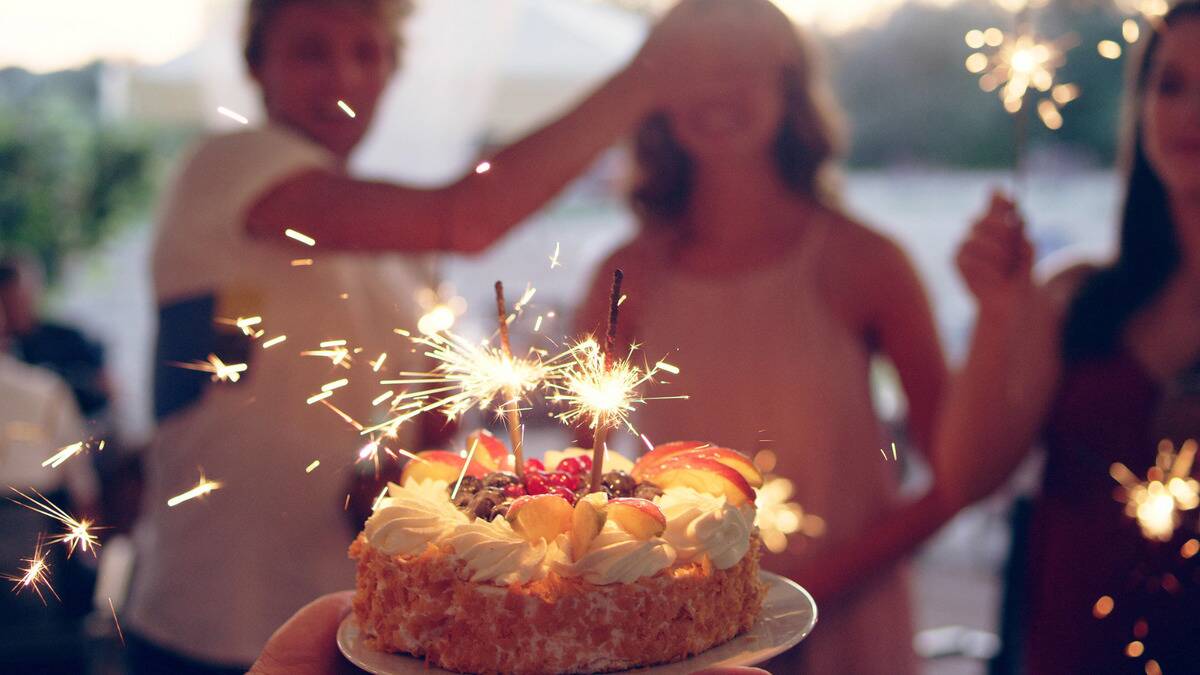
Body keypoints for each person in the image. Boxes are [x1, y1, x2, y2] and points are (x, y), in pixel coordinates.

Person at [124, 0, 724, 671]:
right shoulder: (230, 164)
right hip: (213, 613)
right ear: (256, 66)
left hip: (365, 623)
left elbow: (418, 422)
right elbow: (467, 220)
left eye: (366, 52)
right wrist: (646, 77)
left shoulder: (402, 251)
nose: (343, 77)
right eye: (310, 51)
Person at [575, 1, 950, 672]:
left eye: (743, 65)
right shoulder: (623, 276)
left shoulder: (866, 260)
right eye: (698, 68)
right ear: (659, 92)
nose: (719, 88)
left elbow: (954, 469)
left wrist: (811, 589)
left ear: (791, 86)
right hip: (685, 632)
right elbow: (584, 481)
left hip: (848, 621)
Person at [937, 3, 1200, 672]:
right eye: (1169, 85)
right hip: (1068, 643)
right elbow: (968, 478)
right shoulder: (1076, 296)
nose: (1190, 113)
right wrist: (998, 317)